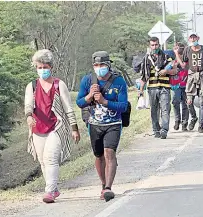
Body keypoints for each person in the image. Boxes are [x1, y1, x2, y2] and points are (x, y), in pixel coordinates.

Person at [24, 49, 81, 203]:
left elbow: (68, 108)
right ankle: (53, 188)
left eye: (45, 67)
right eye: (39, 67)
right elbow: (28, 104)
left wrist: (74, 128)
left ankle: (49, 191)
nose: (42, 70)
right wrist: (29, 117)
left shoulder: (58, 84)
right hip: (37, 128)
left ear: (51, 67)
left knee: (51, 158)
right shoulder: (32, 86)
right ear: (36, 68)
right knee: (43, 160)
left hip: (56, 126)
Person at [76, 51, 128, 201]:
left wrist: (105, 101)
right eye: (96, 65)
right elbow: (79, 103)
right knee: (99, 156)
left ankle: (108, 188)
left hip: (113, 124)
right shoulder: (87, 81)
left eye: (102, 65)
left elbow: (123, 106)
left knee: (109, 152)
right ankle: (103, 183)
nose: (100, 68)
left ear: (108, 65)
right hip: (94, 124)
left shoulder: (119, 82)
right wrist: (89, 96)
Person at [174, 33, 203, 133]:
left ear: (198, 38)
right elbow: (182, 65)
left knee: (202, 102)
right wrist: (177, 53)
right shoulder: (187, 50)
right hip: (191, 77)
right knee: (189, 101)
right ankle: (194, 117)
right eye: (191, 38)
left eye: (195, 38)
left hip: (202, 76)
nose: (193, 40)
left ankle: (201, 126)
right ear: (189, 40)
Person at [139, 37, 178, 139]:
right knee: (154, 110)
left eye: (156, 44)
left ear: (159, 44)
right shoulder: (147, 59)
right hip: (152, 88)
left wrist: (166, 71)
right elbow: (144, 76)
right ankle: (156, 130)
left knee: (165, 109)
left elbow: (175, 71)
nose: (154, 47)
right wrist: (141, 91)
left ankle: (164, 130)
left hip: (165, 87)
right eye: (152, 45)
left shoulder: (166, 57)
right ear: (149, 46)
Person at [170, 43, 189, 131]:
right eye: (176, 48)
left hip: (186, 84)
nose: (177, 50)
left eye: (179, 48)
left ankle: (184, 123)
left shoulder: (186, 58)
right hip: (176, 84)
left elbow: (183, 66)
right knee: (175, 102)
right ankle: (177, 120)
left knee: (185, 104)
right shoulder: (172, 59)